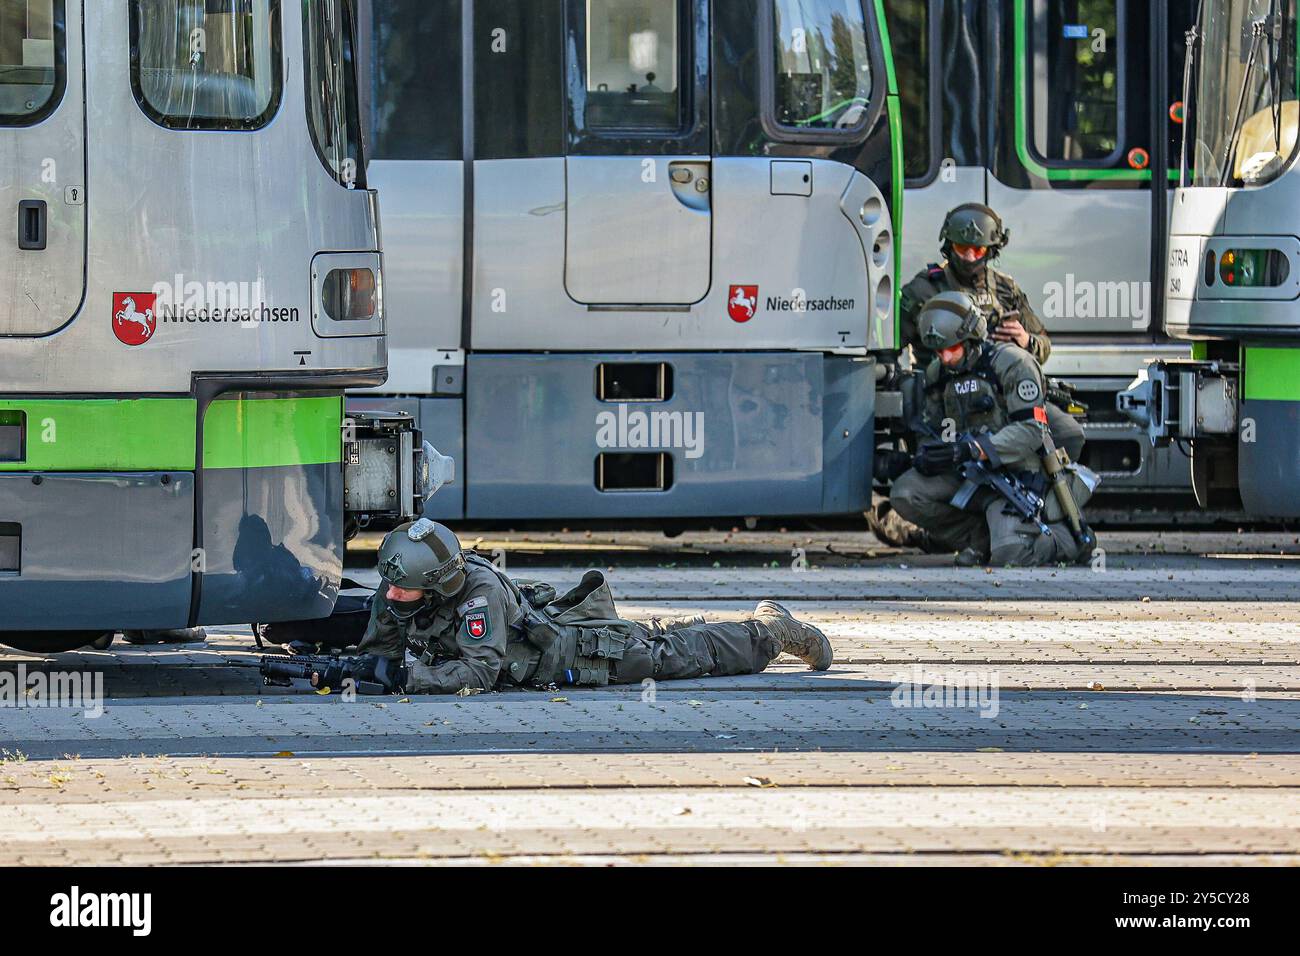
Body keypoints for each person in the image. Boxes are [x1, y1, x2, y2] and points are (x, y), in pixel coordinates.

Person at [273, 520, 833, 695]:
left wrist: (404, 678)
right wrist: (349, 669)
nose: (390, 597)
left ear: (438, 583)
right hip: (544, 640)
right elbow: (382, 651)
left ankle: (770, 632)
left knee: (672, 654)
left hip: (578, 656)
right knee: (657, 634)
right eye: (389, 588)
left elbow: (478, 672)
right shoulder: (402, 584)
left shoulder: (479, 595)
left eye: (402, 591)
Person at [869, 203, 1086, 549]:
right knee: (924, 477)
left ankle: (1044, 516)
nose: (970, 257)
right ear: (948, 246)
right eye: (961, 248)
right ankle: (972, 533)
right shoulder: (923, 291)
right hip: (946, 402)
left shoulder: (1005, 290)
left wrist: (1026, 341)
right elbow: (886, 342)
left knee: (1067, 434)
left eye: (979, 249)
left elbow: (1043, 344)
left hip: (1003, 396)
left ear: (992, 249)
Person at [888, 291, 1094, 568]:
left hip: (1014, 476)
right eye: (939, 351)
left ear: (972, 338)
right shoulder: (939, 374)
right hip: (970, 473)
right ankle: (980, 539)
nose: (945, 358)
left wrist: (976, 449)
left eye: (952, 349)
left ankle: (1067, 541)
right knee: (906, 492)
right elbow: (934, 428)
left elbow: (1032, 429)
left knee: (1010, 555)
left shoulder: (1012, 363)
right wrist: (924, 456)